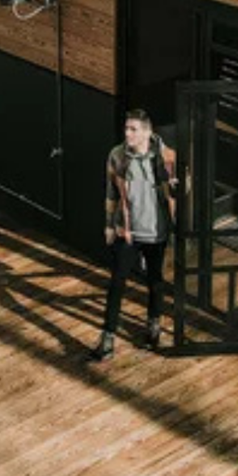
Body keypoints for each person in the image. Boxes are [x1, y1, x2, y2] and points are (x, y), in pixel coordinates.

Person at [90, 109, 176, 362]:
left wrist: (178, 185)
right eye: (126, 128)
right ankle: (107, 339)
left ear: (147, 132)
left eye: (133, 129)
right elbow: (110, 192)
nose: (127, 133)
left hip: (157, 231)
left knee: (155, 281)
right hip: (127, 231)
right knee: (117, 283)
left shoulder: (167, 156)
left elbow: (183, 190)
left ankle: (153, 325)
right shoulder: (117, 156)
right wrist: (108, 225)